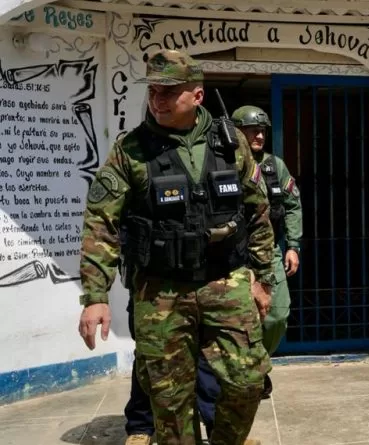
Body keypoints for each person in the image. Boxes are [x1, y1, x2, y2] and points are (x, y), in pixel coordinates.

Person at [76, 48, 275, 445]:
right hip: (161, 290)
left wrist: (263, 277)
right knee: (169, 400)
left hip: (226, 281)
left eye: (169, 92)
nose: (157, 100)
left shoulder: (230, 143)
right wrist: (95, 295)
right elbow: (101, 222)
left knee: (248, 379)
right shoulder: (131, 150)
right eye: (153, 91)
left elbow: (258, 209)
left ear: (197, 96)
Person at [189, 105, 303, 437]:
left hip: (269, 250)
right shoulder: (222, 162)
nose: (259, 135)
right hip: (232, 256)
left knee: (276, 315)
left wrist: (293, 244)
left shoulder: (273, 167)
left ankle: (255, 363)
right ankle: (228, 380)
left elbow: (292, 204)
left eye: (263, 129)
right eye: (251, 130)